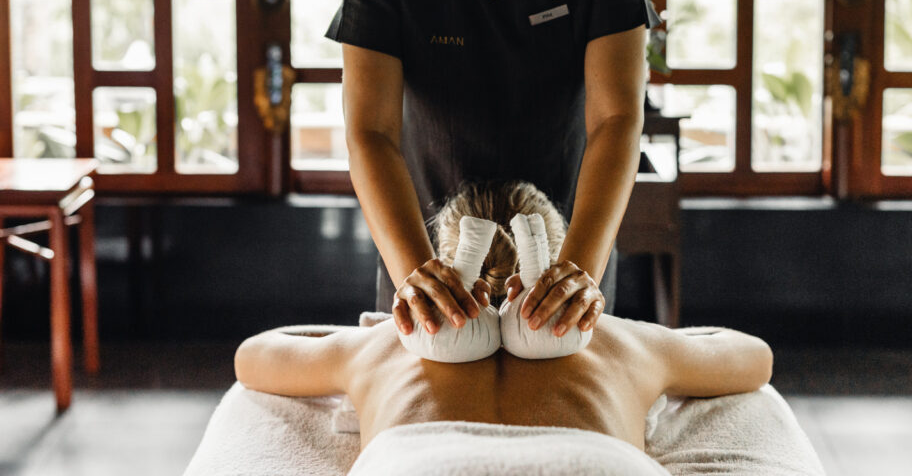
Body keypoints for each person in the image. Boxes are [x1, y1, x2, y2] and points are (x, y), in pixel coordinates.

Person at [326, 0, 656, 341]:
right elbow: (370, 131)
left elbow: (617, 119)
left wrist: (577, 272)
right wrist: (417, 274)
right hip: (424, 248)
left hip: (567, 246)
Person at [234, 181, 773, 458]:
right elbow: (755, 359)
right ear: (563, 268)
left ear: (440, 268)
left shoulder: (385, 344)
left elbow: (252, 358)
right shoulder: (620, 341)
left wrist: (369, 328)